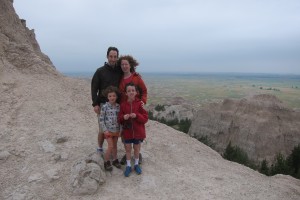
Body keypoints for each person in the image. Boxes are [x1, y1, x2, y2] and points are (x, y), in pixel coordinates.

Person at [91, 47, 122, 154]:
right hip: (103, 104)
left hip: (116, 106)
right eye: (111, 56)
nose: (113, 59)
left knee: (114, 129)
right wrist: (95, 104)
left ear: (117, 57)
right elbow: (94, 88)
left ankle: (112, 151)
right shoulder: (100, 71)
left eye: (115, 57)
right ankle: (100, 147)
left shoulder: (119, 71)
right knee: (102, 129)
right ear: (107, 56)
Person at [117, 55, 148, 165]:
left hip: (135, 108)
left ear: (130, 65)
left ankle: (137, 153)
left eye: (126, 64)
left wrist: (143, 101)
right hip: (124, 108)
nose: (124, 66)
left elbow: (144, 90)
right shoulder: (119, 78)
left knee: (137, 132)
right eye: (122, 64)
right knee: (125, 133)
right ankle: (128, 154)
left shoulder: (136, 78)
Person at [118, 82, 148, 177]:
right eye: (129, 91)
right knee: (127, 149)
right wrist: (124, 117)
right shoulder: (123, 105)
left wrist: (137, 115)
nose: (131, 92)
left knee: (136, 149)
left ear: (136, 92)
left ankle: (136, 164)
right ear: (126, 93)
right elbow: (119, 119)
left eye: (133, 90)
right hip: (127, 132)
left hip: (138, 132)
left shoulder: (140, 104)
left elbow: (145, 118)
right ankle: (128, 166)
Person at [99, 86, 121, 171]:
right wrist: (105, 130)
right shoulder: (105, 107)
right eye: (110, 96)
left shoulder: (119, 107)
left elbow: (120, 119)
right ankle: (106, 161)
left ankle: (115, 160)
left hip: (116, 130)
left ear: (116, 97)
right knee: (110, 146)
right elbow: (101, 119)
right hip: (108, 131)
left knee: (115, 146)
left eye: (114, 96)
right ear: (107, 97)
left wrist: (120, 130)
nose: (112, 97)